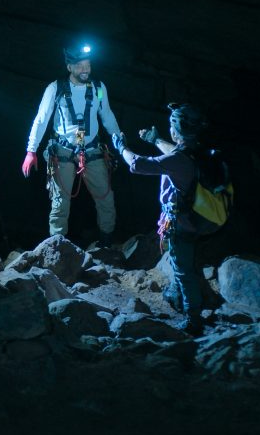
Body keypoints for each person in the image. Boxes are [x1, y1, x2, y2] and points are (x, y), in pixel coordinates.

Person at [111, 102, 209, 336]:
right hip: (194, 219)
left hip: (181, 224)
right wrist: (155, 140)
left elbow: (137, 164)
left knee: (184, 268)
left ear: (176, 131)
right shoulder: (195, 152)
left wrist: (121, 147)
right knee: (181, 263)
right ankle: (178, 295)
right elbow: (174, 152)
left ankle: (193, 319)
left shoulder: (178, 161)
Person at [21, 43, 121, 248]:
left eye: (88, 65)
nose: (85, 69)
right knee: (60, 203)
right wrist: (31, 151)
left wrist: (119, 140)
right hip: (63, 149)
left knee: (106, 199)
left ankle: (107, 244)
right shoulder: (55, 88)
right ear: (69, 67)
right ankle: (57, 249)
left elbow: (106, 114)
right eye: (80, 65)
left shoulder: (99, 89)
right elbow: (41, 119)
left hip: (91, 149)